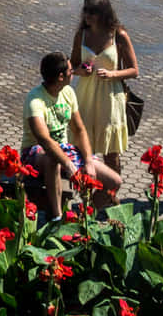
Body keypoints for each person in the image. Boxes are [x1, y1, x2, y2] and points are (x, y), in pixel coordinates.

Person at [23, 52, 120, 221]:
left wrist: (88, 160)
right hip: (35, 153)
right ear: (61, 77)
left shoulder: (68, 92)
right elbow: (44, 140)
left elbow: (79, 129)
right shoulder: (34, 100)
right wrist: (68, 164)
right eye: (70, 70)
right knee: (54, 158)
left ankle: (85, 217)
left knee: (114, 181)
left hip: (64, 149)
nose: (73, 72)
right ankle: (57, 217)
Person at [69, 0, 137, 198]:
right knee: (83, 150)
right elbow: (71, 66)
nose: (87, 16)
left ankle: (111, 196)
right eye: (85, 10)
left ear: (103, 13)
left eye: (92, 12)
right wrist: (81, 69)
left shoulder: (119, 35)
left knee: (111, 153)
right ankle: (87, 194)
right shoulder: (82, 35)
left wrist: (112, 74)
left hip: (110, 98)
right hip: (85, 97)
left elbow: (134, 70)